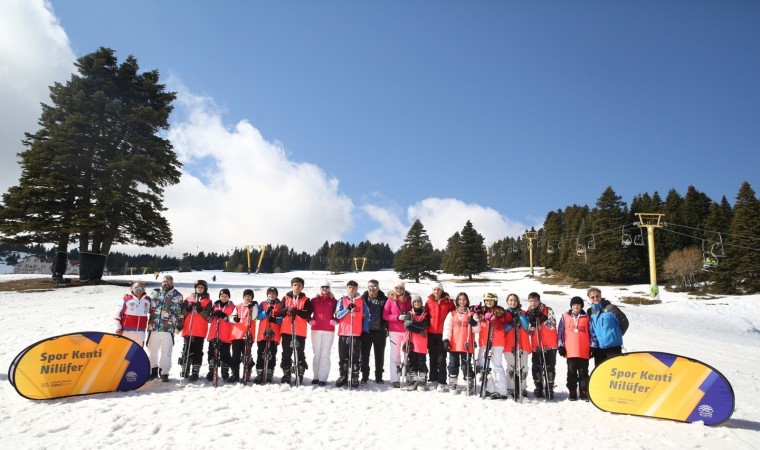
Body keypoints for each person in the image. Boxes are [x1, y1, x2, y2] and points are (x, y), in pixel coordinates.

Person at [558, 296, 598, 401]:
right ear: (571, 306)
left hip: (584, 350)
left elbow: (592, 333)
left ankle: (583, 391)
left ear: (581, 306)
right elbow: (560, 333)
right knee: (571, 372)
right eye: (574, 305)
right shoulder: (565, 316)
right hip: (570, 350)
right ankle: (572, 391)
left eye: (578, 305)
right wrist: (560, 345)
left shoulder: (587, 317)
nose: (576, 306)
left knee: (583, 373)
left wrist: (593, 346)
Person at [146, 275, 184, 382]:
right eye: (164, 281)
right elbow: (146, 305)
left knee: (166, 351)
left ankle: (164, 372)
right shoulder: (155, 292)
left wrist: (179, 325)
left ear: (172, 282)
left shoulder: (178, 295)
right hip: (154, 326)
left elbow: (180, 312)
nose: (166, 283)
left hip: (168, 327)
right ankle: (152, 370)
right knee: (152, 350)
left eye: (168, 281)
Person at [277, 277, 312, 385]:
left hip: (300, 330)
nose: (297, 287)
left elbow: (307, 313)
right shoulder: (286, 297)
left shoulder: (306, 299)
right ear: (292, 286)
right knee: (286, 353)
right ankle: (286, 374)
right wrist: (287, 310)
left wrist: (296, 311)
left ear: (302, 287)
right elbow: (279, 312)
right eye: (295, 285)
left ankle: (299, 373)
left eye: (299, 285)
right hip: (287, 329)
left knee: (300, 353)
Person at [334, 280, 369, 388]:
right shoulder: (342, 300)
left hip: (356, 333)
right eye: (350, 287)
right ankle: (343, 375)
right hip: (344, 332)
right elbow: (337, 315)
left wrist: (364, 330)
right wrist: (347, 309)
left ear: (357, 289)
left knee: (355, 356)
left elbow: (367, 316)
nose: (352, 289)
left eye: (354, 287)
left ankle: (354, 376)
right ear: (347, 288)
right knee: (343, 356)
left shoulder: (361, 301)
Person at [442, 292, 479, 394]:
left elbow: (477, 330)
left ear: (467, 301)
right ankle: (453, 384)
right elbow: (447, 328)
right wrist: (446, 340)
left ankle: (469, 385)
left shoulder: (471, 314)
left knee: (465, 365)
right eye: (460, 299)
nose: (462, 301)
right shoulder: (452, 313)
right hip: (454, 343)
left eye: (464, 299)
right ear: (457, 301)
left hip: (466, 344)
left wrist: (474, 323)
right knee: (453, 364)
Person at [475, 292, 509, 399]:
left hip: (497, 343)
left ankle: (502, 391)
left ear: (495, 301)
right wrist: (475, 312)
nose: (488, 302)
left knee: (496, 366)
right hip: (484, 342)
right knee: (484, 366)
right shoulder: (482, 311)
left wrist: (493, 318)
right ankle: (489, 389)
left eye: (491, 300)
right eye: (486, 300)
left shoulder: (500, 311)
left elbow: (501, 326)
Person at [526, 292, 558, 399]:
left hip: (549, 343)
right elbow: (528, 331)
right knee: (537, 367)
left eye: (535, 300)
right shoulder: (528, 312)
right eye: (531, 301)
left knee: (549, 367)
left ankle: (549, 388)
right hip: (537, 344)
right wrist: (531, 327)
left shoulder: (547, 310)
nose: (533, 303)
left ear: (539, 301)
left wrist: (543, 318)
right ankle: (538, 387)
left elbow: (553, 325)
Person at [586, 287, 629, 367]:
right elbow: (590, 329)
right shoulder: (590, 312)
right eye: (592, 297)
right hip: (598, 348)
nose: (595, 298)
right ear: (589, 298)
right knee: (601, 372)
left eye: (597, 296)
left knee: (615, 370)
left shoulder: (611, 308)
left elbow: (624, 322)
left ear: (600, 295)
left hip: (613, 347)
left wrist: (616, 335)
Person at [179, 280, 212, 381]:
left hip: (199, 329)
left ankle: (195, 370)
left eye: (201, 288)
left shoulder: (208, 301)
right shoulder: (189, 298)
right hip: (188, 328)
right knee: (186, 350)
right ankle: (185, 368)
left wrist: (200, 309)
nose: (199, 289)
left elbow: (208, 316)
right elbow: (182, 313)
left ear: (204, 289)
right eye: (198, 287)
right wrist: (188, 309)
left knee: (197, 351)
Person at [425, 282, 456, 392]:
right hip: (431, 333)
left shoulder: (449, 302)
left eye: (438, 289)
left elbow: (454, 316)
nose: (436, 292)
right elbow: (425, 316)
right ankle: (433, 379)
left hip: (443, 334)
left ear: (442, 290)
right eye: (434, 289)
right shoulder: (428, 302)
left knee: (442, 358)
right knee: (432, 357)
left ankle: (442, 381)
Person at [383, 280, 412, 388]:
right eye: (397, 288)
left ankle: (408, 376)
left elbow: (411, 311)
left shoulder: (408, 299)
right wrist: (397, 317)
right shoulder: (390, 300)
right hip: (394, 330)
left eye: (400, 288)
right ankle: (395, 378)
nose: (398, 290)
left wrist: (408, 317)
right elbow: (385, 315)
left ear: (404, 289)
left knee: (407, 354)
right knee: (395, 355)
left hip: (406, 330)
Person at [310, 281, 338, 386]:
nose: (324, 289)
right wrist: (309, 320)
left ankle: (323, 378)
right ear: (320, 288)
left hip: (328, 330)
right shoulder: (314, 300)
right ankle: (316, 376)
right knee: (317, 354)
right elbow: (307, 312)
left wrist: (336, 320)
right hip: (316, 329)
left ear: (329, 288)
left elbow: (339, 313)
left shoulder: (334, 301)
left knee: (325, 355)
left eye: (326, 287)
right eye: (322, 287)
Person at [360, 279, 388, 384]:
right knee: (364, 355)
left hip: (380, 331)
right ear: (368, 288)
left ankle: (379, 376)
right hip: (366, 331)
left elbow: (387, 314)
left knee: (379, 355)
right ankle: (364, 376)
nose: (372, 289)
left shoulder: (384, 299)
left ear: (378, 288)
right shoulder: (362, 299)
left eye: (375, 287)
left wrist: (387, 327)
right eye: (370, 287)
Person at [253, 287, 283, 385]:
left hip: (274, 332)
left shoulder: (280, 304)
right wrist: (266, 312)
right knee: (261, 352)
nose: (271, 295)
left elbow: (281, 317)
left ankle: (270, 372)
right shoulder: (263, 304)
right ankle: (260, 372)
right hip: (263, 332)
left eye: (273, 294)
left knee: (272, 353)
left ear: (276, 295)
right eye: (270, 294)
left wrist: (275, 320)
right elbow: (258, 316)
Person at [504, 293, 532, 399]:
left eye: (515, 300)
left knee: (523, 367)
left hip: (522, 343)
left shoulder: (523, 313)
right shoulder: (504, 314)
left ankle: (522, 387)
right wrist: (510, 324)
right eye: (511, 300)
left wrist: (520, 315)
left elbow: (526, 326)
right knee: (511, 367)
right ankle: (511, 388)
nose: (513, 302)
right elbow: (502, 329)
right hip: (509, 344)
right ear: (507, 301)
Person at [206, 288, 236, 382]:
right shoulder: (215, 305)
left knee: (225, 354)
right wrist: (212, 313)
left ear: (229, 297)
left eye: (226, 296)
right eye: (222, 296)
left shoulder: (233, 307)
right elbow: (208, 319)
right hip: (214, 333)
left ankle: (225, 372)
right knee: (211, 353)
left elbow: (234, 319)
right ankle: (212, 371)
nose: (223, 298)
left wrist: (224, 316)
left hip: (225, 334)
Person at [229, 289, 258, 383]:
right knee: (235, 356)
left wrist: (253, 307)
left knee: (246, 355)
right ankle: (235, 374)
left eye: (249, 296)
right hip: (237, 334)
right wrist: (234, 318)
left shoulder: (254, 306)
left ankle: (247, 372)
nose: (247, 298)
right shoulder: (237, 306)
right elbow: (231, 318)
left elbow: (254, 317)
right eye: (246, 296)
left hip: (248, 334)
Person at [404, 294, 430, 391]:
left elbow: (425, 325)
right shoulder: (409, 313)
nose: (417, 303)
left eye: (418, 301)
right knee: (412, 361)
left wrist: (413, 323)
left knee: (421, 361)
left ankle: (422, 380)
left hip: (422, 342)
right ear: (412, 304)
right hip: (411, 340)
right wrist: (419, 331)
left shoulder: (425, 314)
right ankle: (413, 380)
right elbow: (407, 326)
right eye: (415, 302)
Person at [114, 281, 151, 345]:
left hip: (140, 331)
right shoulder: (126, 299)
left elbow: (152, 311)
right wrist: (118, 328)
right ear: (132, 288)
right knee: (124, 351)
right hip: (126, 331)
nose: (139, 290)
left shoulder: (148, 300)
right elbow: (117, 315)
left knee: (138, 351)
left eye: (142, 288)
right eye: (137, 288)